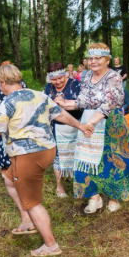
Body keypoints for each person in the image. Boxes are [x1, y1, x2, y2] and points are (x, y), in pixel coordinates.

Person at [0, 64, 92, 257]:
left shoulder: (7, 103)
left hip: (28, 155)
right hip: (48, 150)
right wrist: (80, 126)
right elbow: (61, 114)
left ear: (3, 82)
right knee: (9, 177)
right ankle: (27, 221)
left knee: (32, 202)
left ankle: (50, 244)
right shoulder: (39, 95)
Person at [56, 43, 129, 213]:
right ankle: (94, 196)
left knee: (114, 160)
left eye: (98, 58)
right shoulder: (86, 77)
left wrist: (91, 123)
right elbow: (84, 101)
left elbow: (109, 104)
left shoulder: (114, 77)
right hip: (90, 121)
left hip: (111, 125)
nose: (93, 61)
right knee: (87, 159)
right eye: (90, 58)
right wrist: (65, 104)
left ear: (107, 60)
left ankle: (115, 196)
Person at [44, 62, 82, 198]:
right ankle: (60, 187)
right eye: (54, 79)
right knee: (58, 156)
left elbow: (83, 104)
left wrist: (65, 104)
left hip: (77, 125)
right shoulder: (48, 88)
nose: (58, 81)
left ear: (65, 74)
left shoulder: (76, 84)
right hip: (57, 127)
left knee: (78, 154)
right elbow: (45, 107)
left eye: (60, 78)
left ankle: (78, 183)